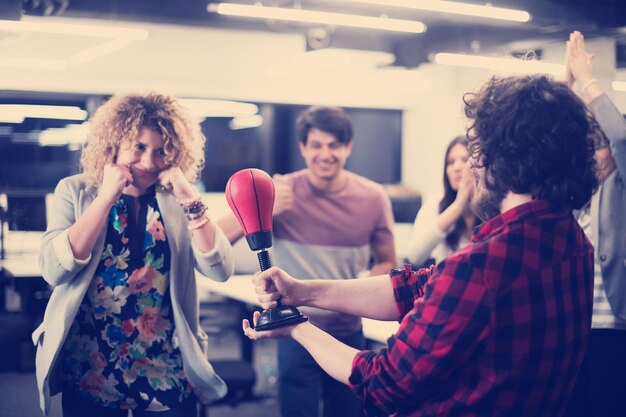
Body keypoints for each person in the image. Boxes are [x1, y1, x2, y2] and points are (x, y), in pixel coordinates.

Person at [243, 74, 599, 417]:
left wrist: (296, 327)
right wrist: (301, 292)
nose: (474, 163)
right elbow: (416, 287)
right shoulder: (574, 243)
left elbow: (381, 381)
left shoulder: (482, 267)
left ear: (503, 158)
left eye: (479, 150)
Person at [34, 92, 235, 416]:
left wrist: (188, 196)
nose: (148, 162)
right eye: (138, 147)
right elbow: (54, 269)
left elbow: (220, 269)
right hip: (91, 361)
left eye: (160, 152)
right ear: (114, 142)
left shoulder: (176, 200)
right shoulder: (75, 191)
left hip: (164, 361)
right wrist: (105, 198)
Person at [219, 106, 396, 417]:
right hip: (295, 330)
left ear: (348, 147)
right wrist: (267, 210)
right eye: (316, 145)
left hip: (347, 329)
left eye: (334, 145)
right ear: (303, 147)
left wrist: (356, 291)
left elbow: (387, 264)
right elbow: (218, 240)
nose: (325, 154)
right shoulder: (278, 190)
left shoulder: (373, 197)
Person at [563, 31, 626, 417]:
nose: (595, 153)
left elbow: (621, 136)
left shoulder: (619, 187)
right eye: (588, 146)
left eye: (599, 145)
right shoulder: (571, 193)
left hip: (614, 331)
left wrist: (586, 79)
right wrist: (563, 88)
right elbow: (541, 142)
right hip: (570, 330)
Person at [402, 136, 479, 268]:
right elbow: (413, 257)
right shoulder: (435, 204)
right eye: (450, 162)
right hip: (444, 286)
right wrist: (457, 206)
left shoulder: (492, 207)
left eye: (465, 160)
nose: (456, 167)